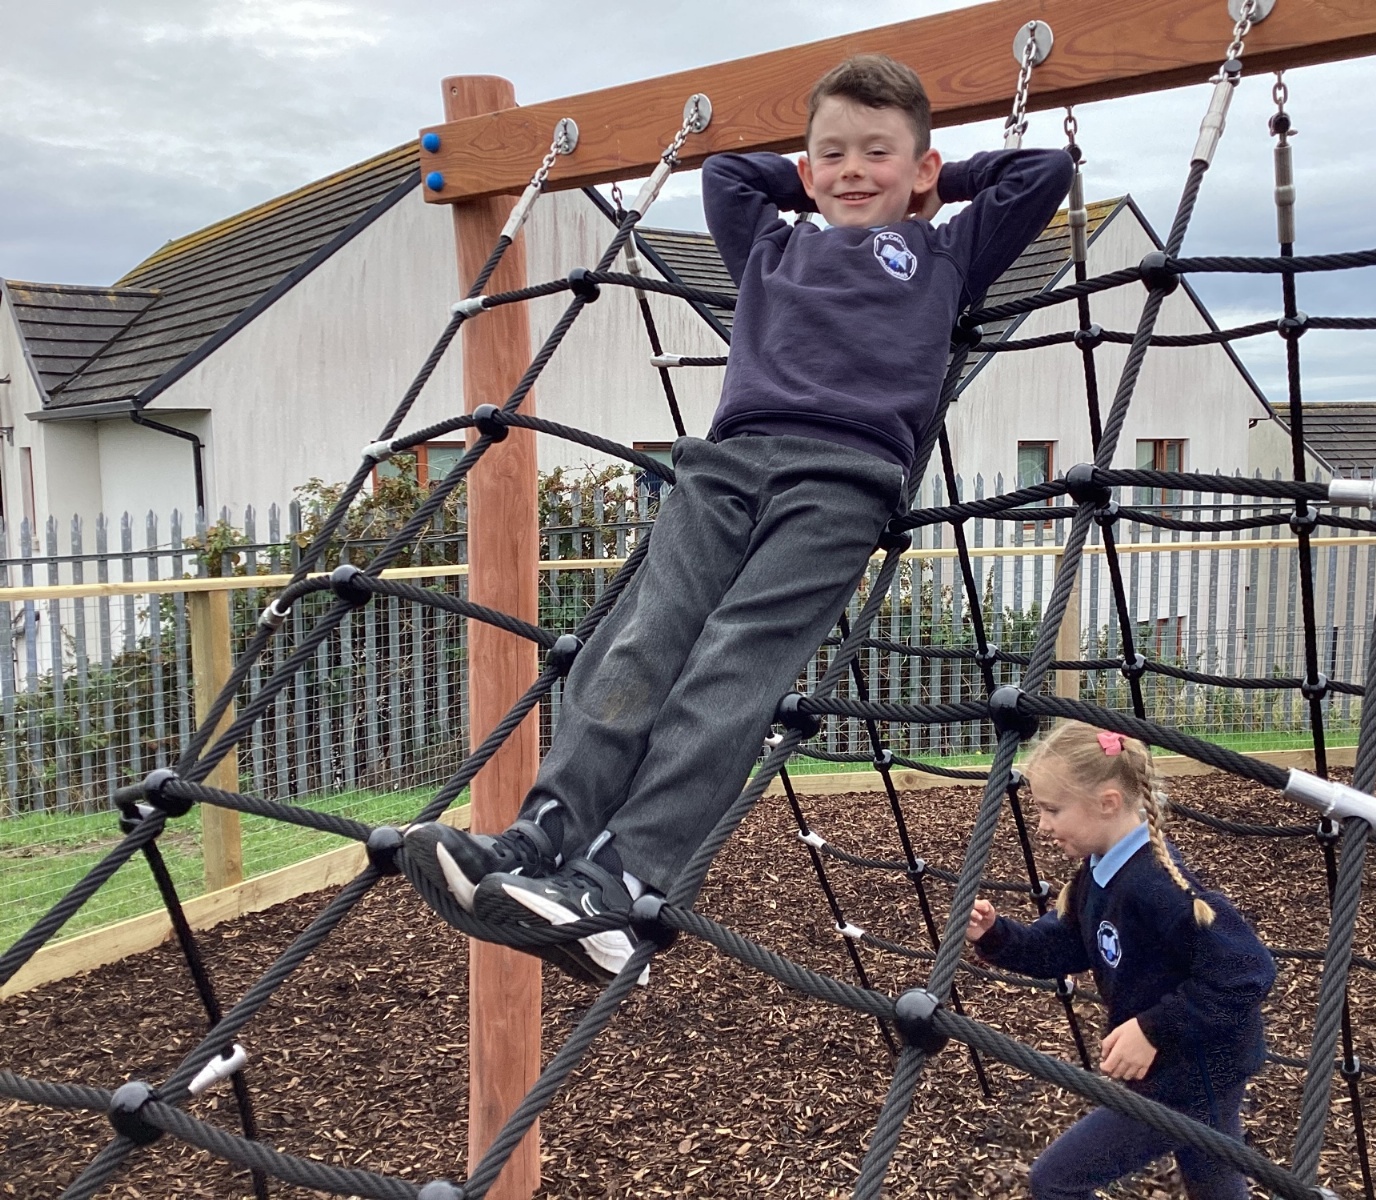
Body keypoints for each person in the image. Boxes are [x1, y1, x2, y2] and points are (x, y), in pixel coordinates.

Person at [404, 54, 1075, 984]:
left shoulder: (943, 252)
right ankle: (540, 838)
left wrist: (933, 180)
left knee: (729, 667)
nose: (853, 170)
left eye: (877, 153)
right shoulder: (772, 245)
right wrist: (814, 173)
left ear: (920, 167)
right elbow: (727, 174)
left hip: (842, 478)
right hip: (724, 464)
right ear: (805, 171)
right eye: (832, 154)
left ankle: (623, 886)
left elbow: (1042, 172)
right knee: (635, 647)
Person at [966, 721, 1275, 1200]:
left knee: (1057, 1182)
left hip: (1190, 1075)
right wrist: (996, 935)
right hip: (1189, 1067)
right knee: (1214, 1182)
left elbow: (1246, 971)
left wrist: (1152, 1029)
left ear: (1108, 802)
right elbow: (1065, 944)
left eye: (1052, 809)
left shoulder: (1156, 885)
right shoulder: (1100, 873)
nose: (1042, 825)